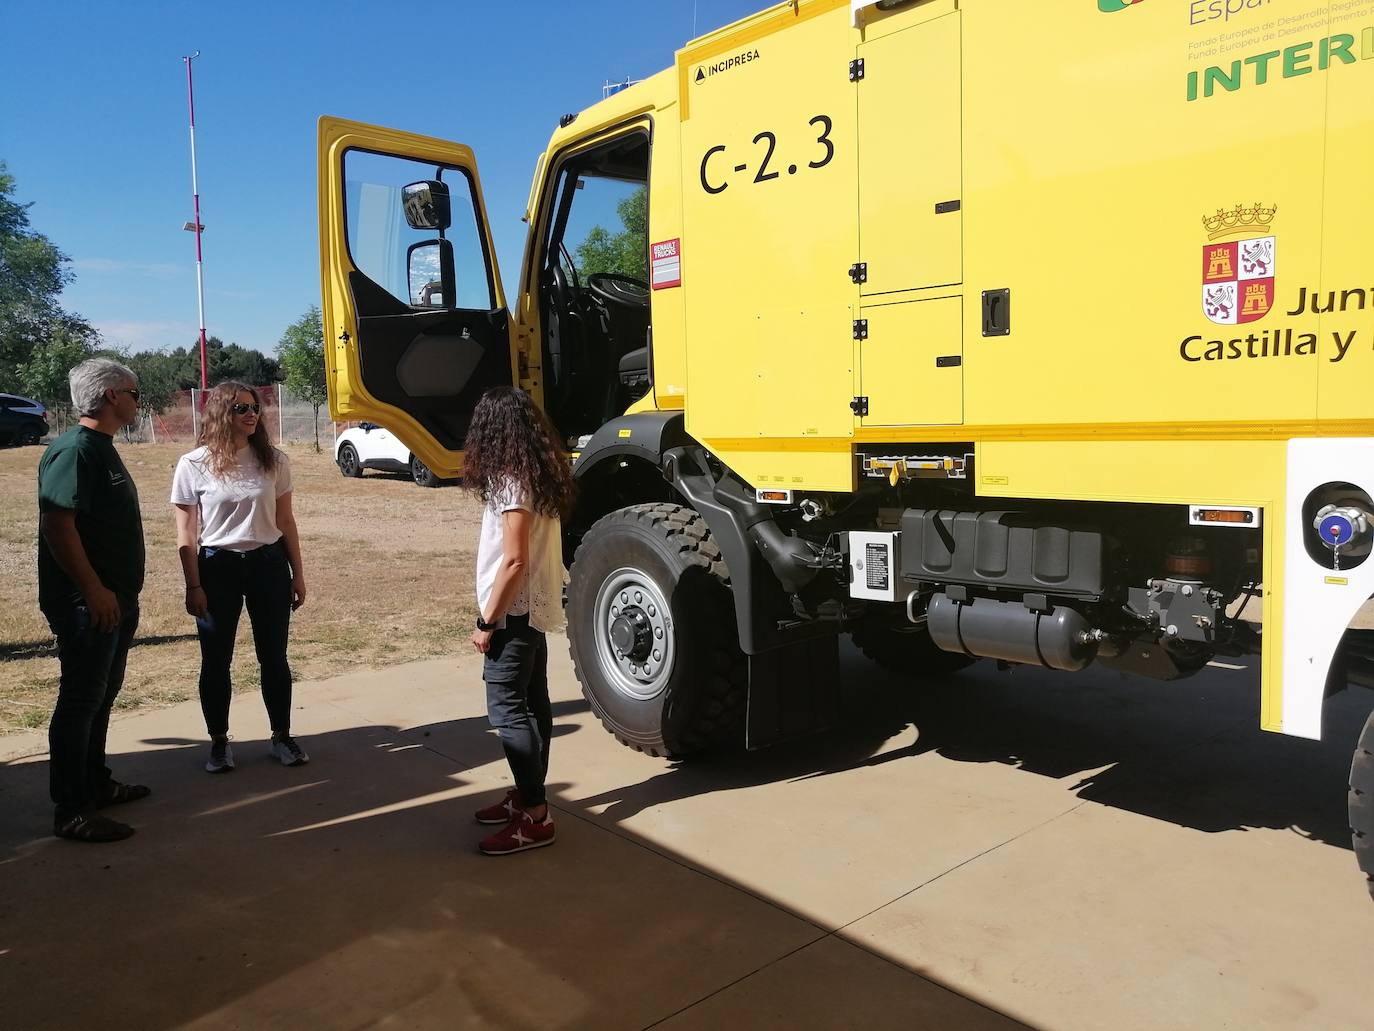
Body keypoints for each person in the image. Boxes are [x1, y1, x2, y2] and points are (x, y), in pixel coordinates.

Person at [37, 358, 149, 843]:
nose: (137, 401)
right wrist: (93, 590)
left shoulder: (100, 447)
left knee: (101, 697)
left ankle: (95, 785)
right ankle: (72, 810)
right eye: (134, 392)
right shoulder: (76, 450)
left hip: (114, 599)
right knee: (81, 701)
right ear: (110, 397)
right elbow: (57, 526)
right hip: (89, 604)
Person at [170, 382, 309, 773]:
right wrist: (193, 584)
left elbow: (286, 521)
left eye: (255, 408)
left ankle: (281, 736)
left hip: (268, 565)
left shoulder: (273, 461)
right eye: (240, 408)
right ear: (219, 413)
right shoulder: (193, 464)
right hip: (218, 568)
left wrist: (297, 574)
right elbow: (186, 532)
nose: (252, 415)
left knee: (274, 657)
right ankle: (218, 742)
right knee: (216, 660)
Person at [465, 386, 574, 855]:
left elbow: (513, 560)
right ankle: (529, 796)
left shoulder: (513, 480)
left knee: (508, 711)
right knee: (534, 704)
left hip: (513, 611)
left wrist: (486, 621)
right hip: (530, 609)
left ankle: (535, 816)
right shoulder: (541, 473)